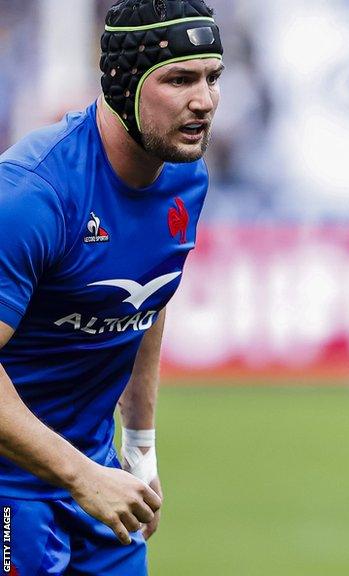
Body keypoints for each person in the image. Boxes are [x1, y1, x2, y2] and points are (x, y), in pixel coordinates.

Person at [0, 0, 223, 572]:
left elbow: (149, 297)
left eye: (212, 77)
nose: (204, 99)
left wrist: (140, 448)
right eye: (180, 79)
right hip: (12, 492)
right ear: (124, 83)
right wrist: (79, 474)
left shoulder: (186, 176)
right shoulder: (31, 195)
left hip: (99, 484)